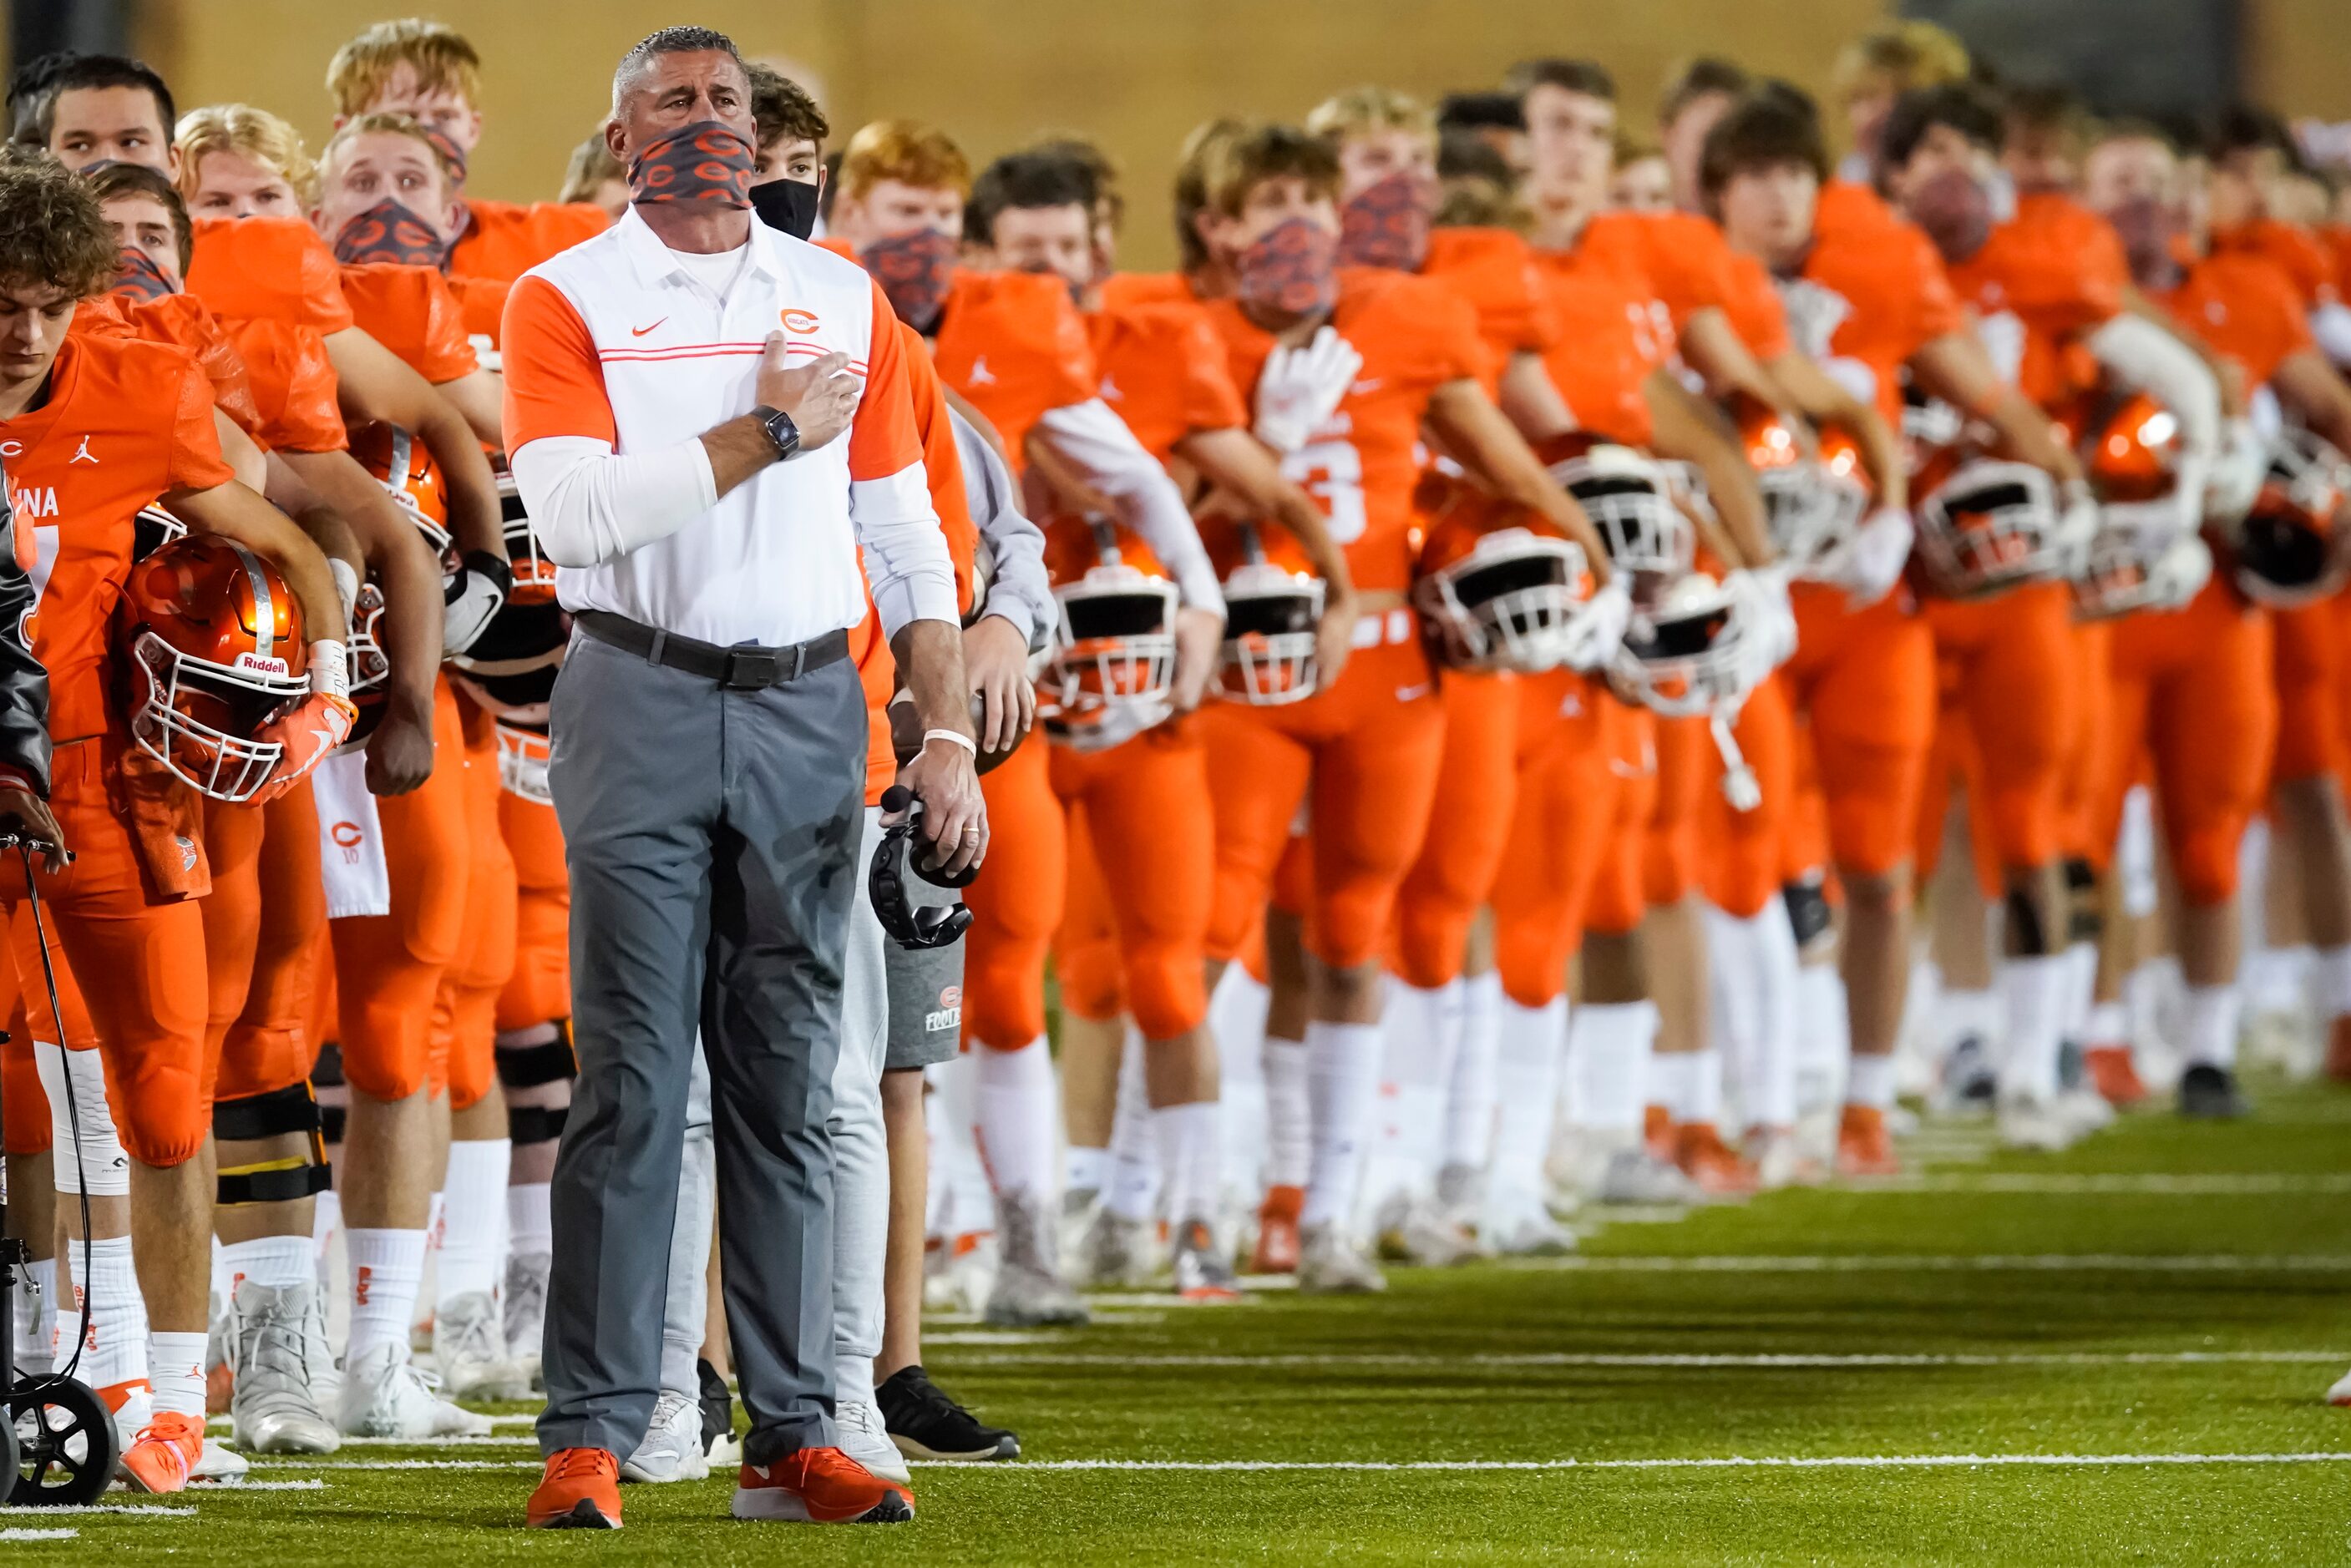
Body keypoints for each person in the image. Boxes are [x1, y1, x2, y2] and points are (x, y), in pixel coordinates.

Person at [499, 27, 975, 1530]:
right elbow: (573, 518)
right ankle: (595, 1425)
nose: (707, 121)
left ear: (763, 132)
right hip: (634, 684)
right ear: (623, 129)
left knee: (786, 1075)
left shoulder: (841, 295)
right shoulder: (565, 293)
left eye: (727, 101)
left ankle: (790, 1428)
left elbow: (907, 539)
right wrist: (768, 427)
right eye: (674, 101)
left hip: (804, 702)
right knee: (635, 1076)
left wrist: (945, 726)